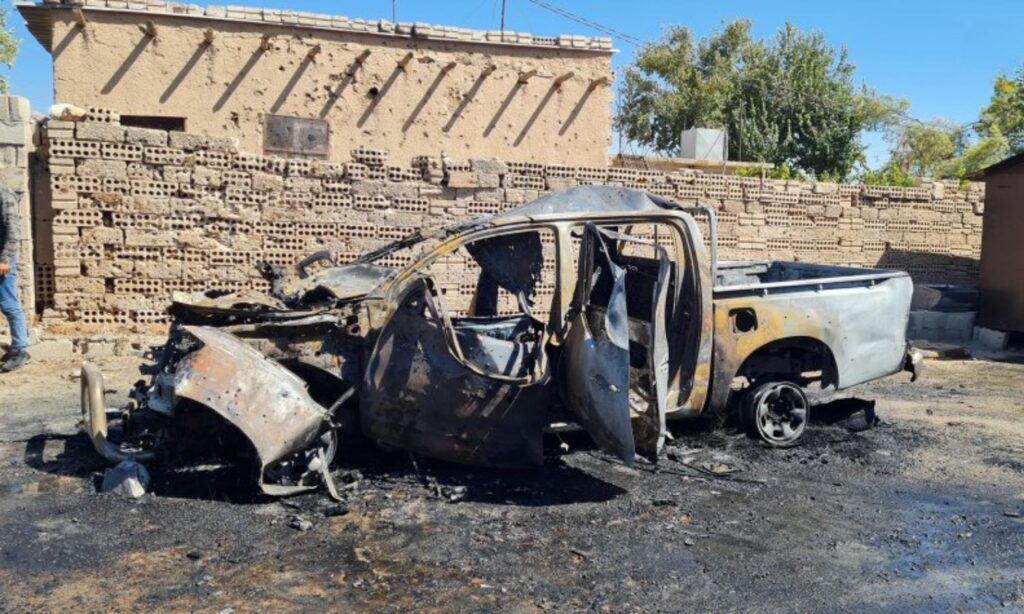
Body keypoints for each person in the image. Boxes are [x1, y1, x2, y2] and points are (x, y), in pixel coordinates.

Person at [0, 185, 29, 372]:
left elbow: (13, 230)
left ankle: (20, 350)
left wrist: (4, 259)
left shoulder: (3, 194)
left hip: (2, 260)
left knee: (8, 304)